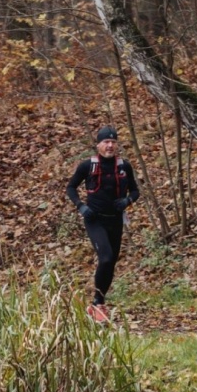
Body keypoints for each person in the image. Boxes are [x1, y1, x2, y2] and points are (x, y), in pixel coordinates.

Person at [65, 126, 140, 324]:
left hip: (115, 219)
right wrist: (81, 207)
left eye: (113, 142)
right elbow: (71, 187)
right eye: (106, 142)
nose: (110, 146)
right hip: (94, 219)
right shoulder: (87, 166)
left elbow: (135, 191)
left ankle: (99, 304)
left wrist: (127, 201)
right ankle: (97, 303)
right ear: (98, 145)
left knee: (111, 262)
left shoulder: (124, 166)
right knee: (105, 258)